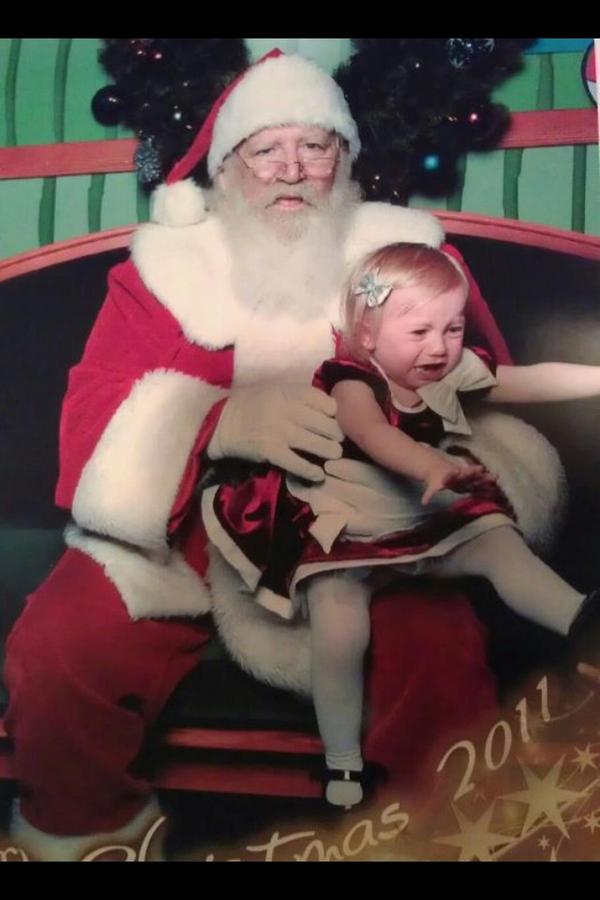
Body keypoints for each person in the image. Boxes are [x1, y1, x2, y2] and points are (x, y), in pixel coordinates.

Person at [2, 50, 571, 859]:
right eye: (266, 150)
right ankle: (89, 833)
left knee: (436, 654)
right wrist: (216, 422)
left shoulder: (405, 259)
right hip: (185, 529)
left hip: (362, 523)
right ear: (228, 170)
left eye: (316, 147)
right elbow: (93, 413)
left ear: (345, 161)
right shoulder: (161, 276)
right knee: (59, 646)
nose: (292, 171)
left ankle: (449, 839)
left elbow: (479, 397)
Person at [203, 241, 600, 808]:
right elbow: (372, 434)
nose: (439, 348)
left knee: (499, 544)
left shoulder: (453, 370)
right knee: (341, 629)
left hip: (419, 511)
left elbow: (531, 380)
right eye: (419, 333)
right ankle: (342, 763)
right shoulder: (351, 380)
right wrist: (431, 463)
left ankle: (582, 619)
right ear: (367, 337)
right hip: (346, 521)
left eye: (454, 328)